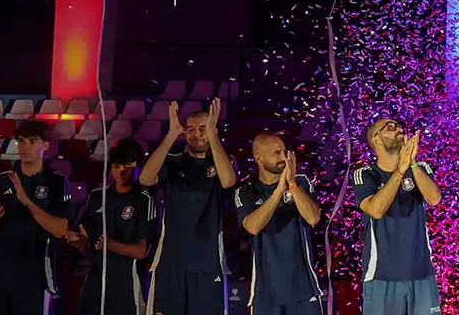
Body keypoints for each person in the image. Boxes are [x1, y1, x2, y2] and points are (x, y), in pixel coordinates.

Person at [137, 99, 237, 315]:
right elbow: (145, 179)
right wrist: (171, 135)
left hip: (208, 266)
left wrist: (213, 136)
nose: (196, 134)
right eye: (190, 129)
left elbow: (228, 181)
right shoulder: (173, 162)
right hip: (169, 265)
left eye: (203, 128)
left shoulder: (221, 162)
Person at [0, 120, 71, 315]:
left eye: (32, 141)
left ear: (45, 146)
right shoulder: (2, 180)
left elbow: (60, 230)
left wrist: (27, 201)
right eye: (21, 141)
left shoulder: (57, 181)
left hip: (35, 277)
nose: (25, 147)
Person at [353, 118, 442, 315]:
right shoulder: (365, 174)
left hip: (422, 273)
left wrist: (411, 164)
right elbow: (375, 210)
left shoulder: (421, 168)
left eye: (399, 126)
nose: (399, 129)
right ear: (376, 140)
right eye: (390, 127)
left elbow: (434, 198)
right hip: (382, 275)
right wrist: (400, 171)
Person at [234, 133, 326, 315]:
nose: (284, 157)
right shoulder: (246, 192)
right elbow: (252, 227)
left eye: (284, 152)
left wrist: (291, 184)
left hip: (304, 288)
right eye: (277, 153)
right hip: (265, 293)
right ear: (258, 158)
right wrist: (278, 192)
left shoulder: (301, 183)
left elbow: (313, 218)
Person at [68, 139, 154, 315]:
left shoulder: (144, 199)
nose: (120, 172)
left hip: (128, 287)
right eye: (116, 166)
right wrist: (79, 242)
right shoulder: (98, 196)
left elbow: (142, 251)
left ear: (137, 166)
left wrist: (110, 245)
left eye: (126, 167)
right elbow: (89, 248)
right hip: (95, 283)